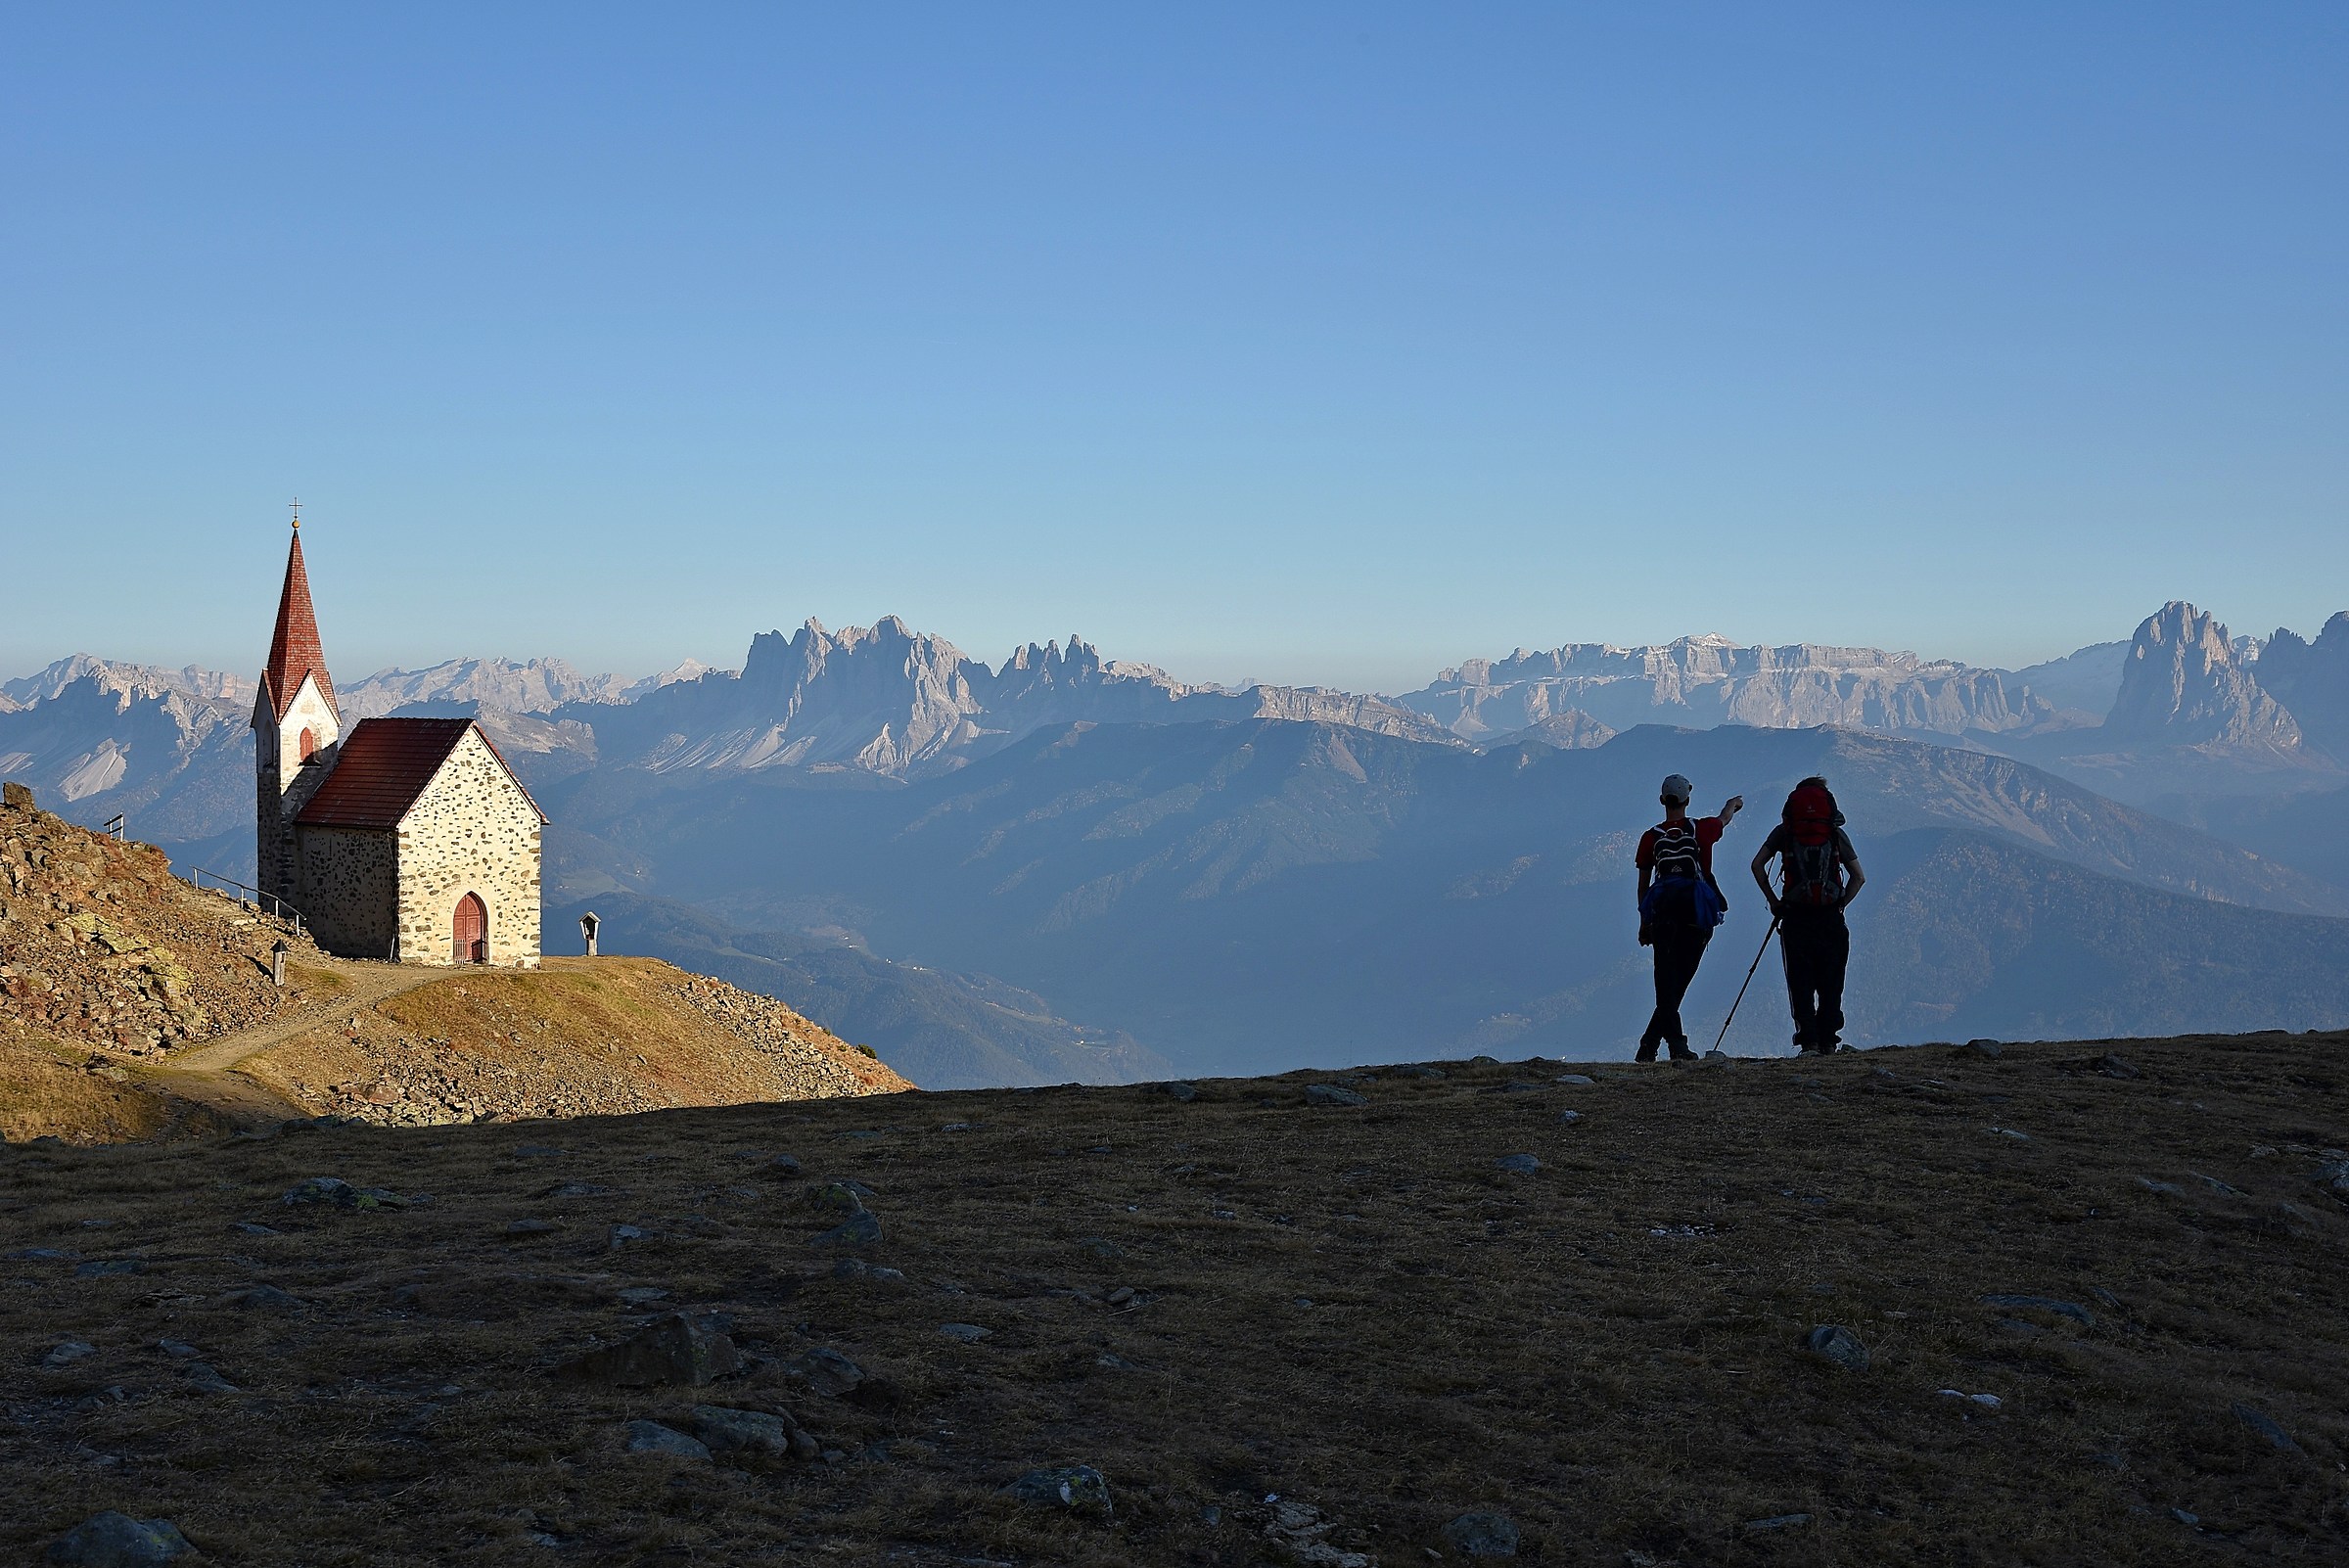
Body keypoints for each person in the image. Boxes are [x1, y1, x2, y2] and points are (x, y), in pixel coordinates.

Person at [1749, 776, 1866, 1054]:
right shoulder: (1835, 834)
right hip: (1830, 918)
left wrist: (1774, 901)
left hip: (1795, 917)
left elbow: (1756, 866)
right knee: (1831, 982)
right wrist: (1840, 905)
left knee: (1800, 982)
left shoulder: (1785, 832)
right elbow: (1858, 878)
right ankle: (1828, 1040)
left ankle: (1808, 1041)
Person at [1634, 774, 1742, 1062]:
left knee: (1665, 985)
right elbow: (1724, 818)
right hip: (1697, 918)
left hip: (1663, 918)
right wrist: (1734, 803)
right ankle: (1673, 1047)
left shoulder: (1650, 838)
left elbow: (1643, 886)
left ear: (1662, 801)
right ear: (1687, 800)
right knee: (1677, 985)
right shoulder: (1702, 830)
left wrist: (1645, 923)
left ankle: (1651, 1046)